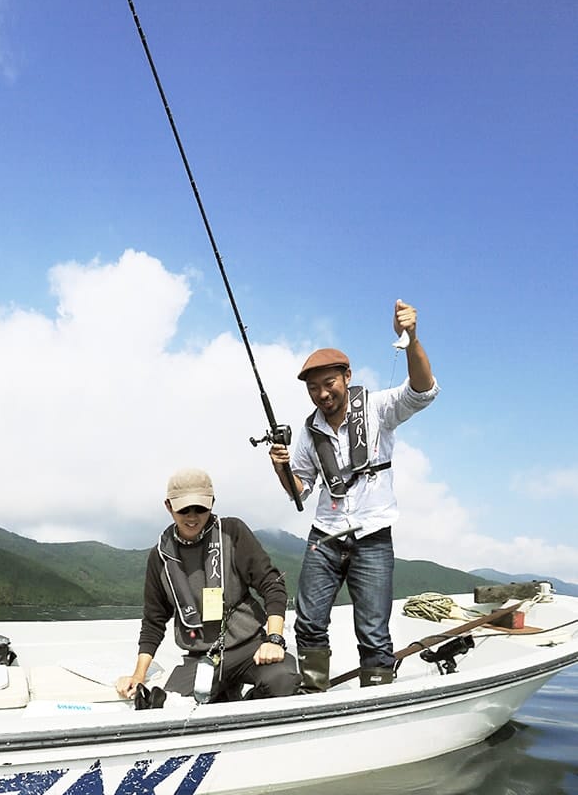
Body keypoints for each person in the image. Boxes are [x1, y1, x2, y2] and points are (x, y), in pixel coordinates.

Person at [269, 299, 439, 691]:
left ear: (347, 377)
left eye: (329, 384)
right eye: (313, 389)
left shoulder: (378, 408)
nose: (322, 394)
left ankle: (376, 695)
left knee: (374, 631)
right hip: (323, 537)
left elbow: (422, 390)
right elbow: (299, 491)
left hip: (373, 536)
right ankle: (313, 693)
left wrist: (412, 337)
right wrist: (280, 466)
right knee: (309, 622)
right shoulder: (309, 432)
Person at [116, 468, 299, 704]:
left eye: (200, 508)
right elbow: (154, 620)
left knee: (284, 680)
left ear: (212, 503)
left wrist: (274, 640)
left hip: (250, 647)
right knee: (167, 704)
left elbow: (272, 585)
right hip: (202, 657)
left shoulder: (233, 532)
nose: (192, 517)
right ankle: (223, 693)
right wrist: (138, 675)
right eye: (184, 509)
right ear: (168, 506)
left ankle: (245, 700)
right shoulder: (159, 557)